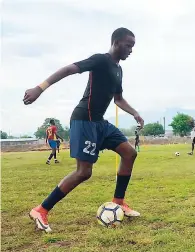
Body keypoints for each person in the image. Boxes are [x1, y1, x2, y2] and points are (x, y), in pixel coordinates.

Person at [23, 27, 144, 232]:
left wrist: (134, 113)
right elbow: (68, 69)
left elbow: (118, 99)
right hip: (84, 120)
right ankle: (41, 210)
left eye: (133, 46)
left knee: (129, 153)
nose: (131, 50)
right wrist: (39, 88)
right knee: (83, 172)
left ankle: (119, 202)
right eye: (128, 45)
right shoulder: (100, 60)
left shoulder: (118, 69)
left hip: (99, 123)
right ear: (115, 42)